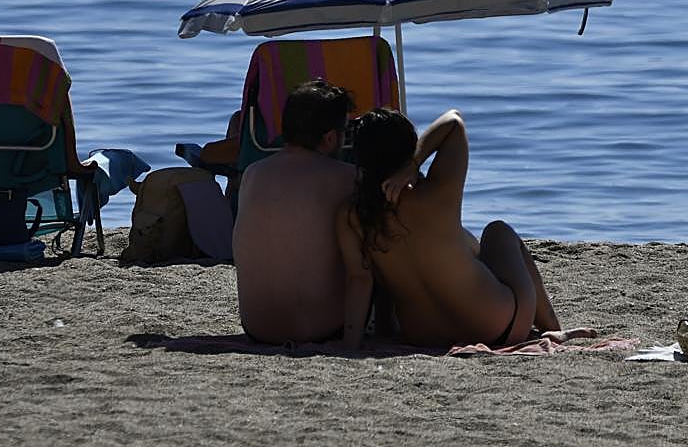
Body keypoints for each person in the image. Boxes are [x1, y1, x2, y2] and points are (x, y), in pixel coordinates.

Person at [336, 108, 561, 349]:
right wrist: (415, 163)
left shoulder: (353, 215)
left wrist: (350, 344)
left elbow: (359, 280)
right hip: (499, 327)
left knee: (386, 265)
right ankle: (553, 328)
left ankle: (385, 328)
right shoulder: (436, 193)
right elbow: (454, 122)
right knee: (497, 231)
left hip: (424, 338)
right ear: (408, 148)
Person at [232, 79, 355, 343]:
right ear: (330, 138)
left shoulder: (253, 173)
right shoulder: (346, 177)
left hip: (257, 327)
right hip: (320, 328)